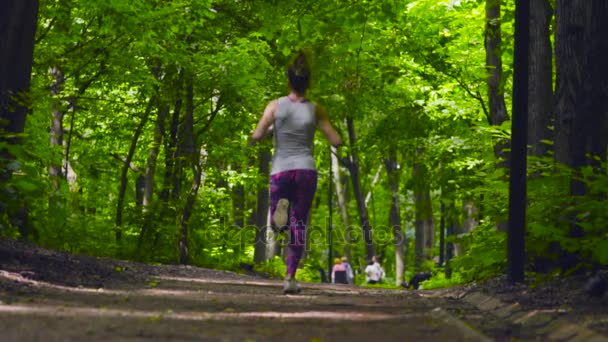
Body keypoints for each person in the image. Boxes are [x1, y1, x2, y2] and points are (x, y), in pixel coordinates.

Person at [250, 51, 343, 294]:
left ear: (288, 80)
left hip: (281, 170)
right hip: (305, 171)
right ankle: (290, 278)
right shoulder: (316, 109)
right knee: (299, 224)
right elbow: (335, 140)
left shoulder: (275, 106)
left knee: (279, 222)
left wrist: (271, 130)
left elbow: (256, 136)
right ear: (308, 82)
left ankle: (277, 217)